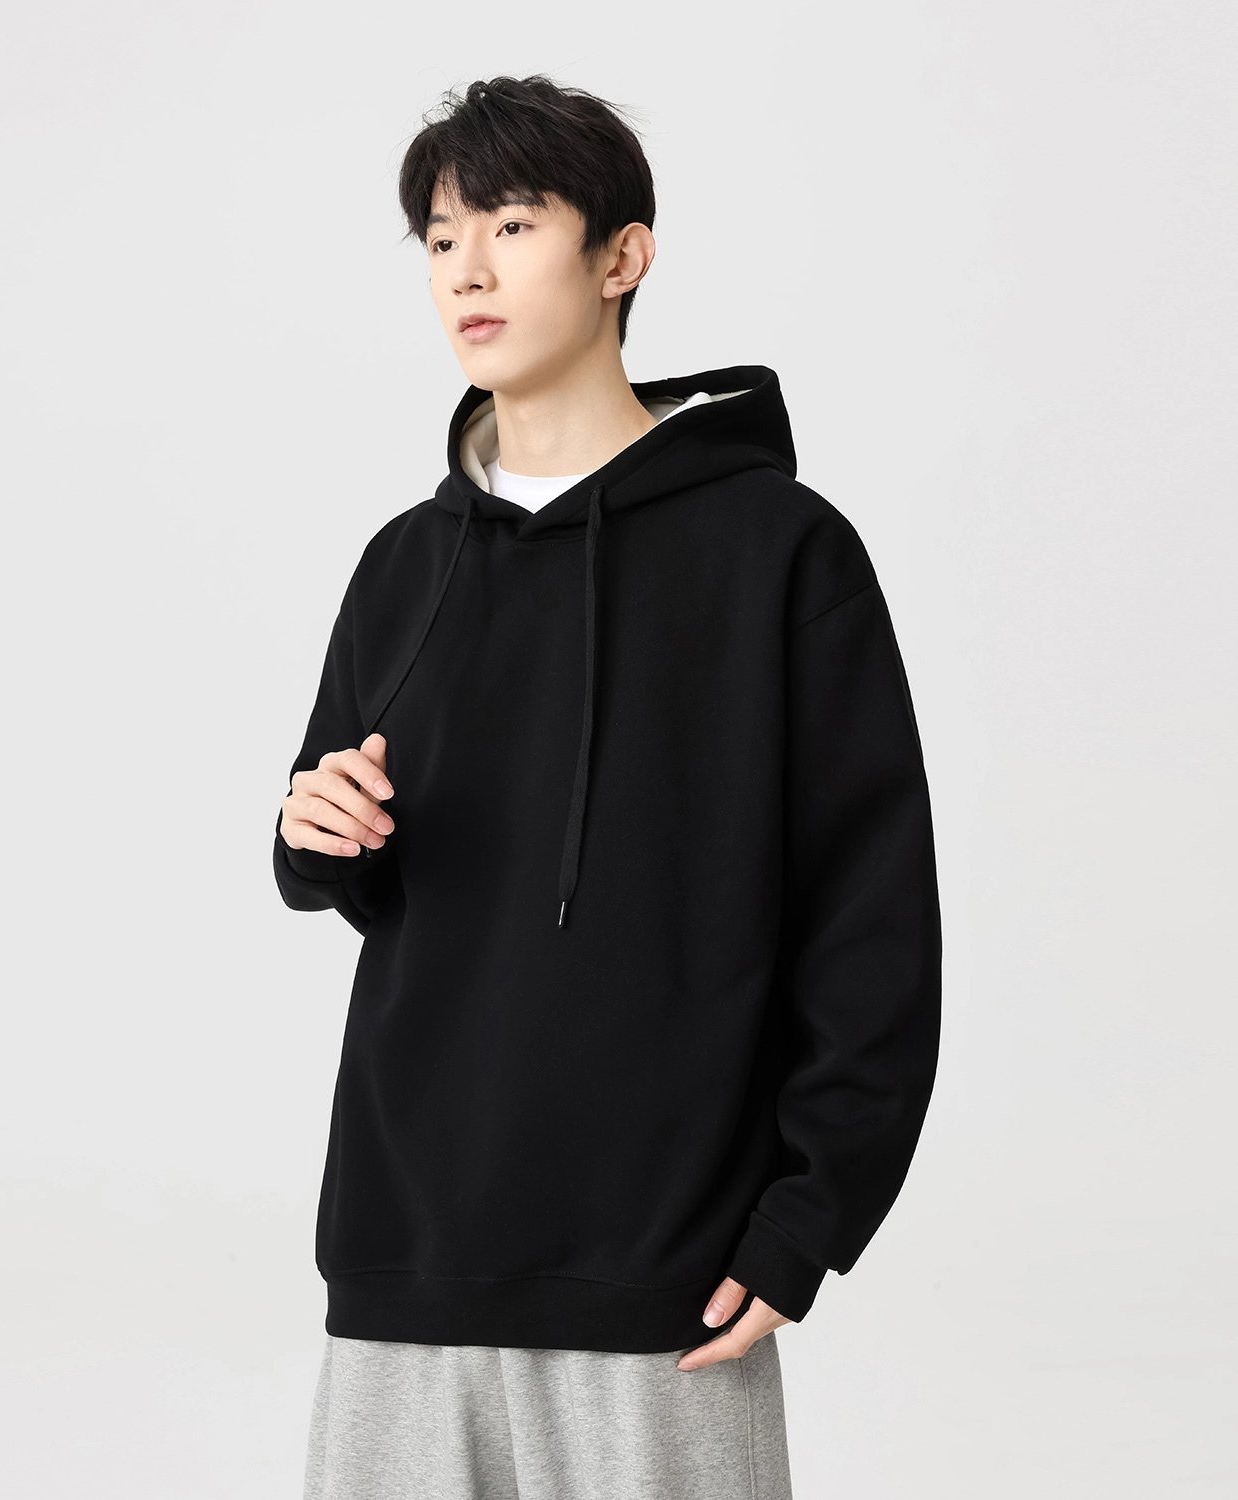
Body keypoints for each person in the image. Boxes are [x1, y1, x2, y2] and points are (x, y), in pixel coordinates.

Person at [273, 74, 942, 1500]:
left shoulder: (780, 552)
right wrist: (315, 834)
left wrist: (808, 1222)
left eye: (513, 224)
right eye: (441, 237)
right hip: (408, 1260)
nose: (467, 269)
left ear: (622, 256)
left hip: (667, 1274)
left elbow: (872, 915)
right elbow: (356, 860)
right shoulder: (405, 563)